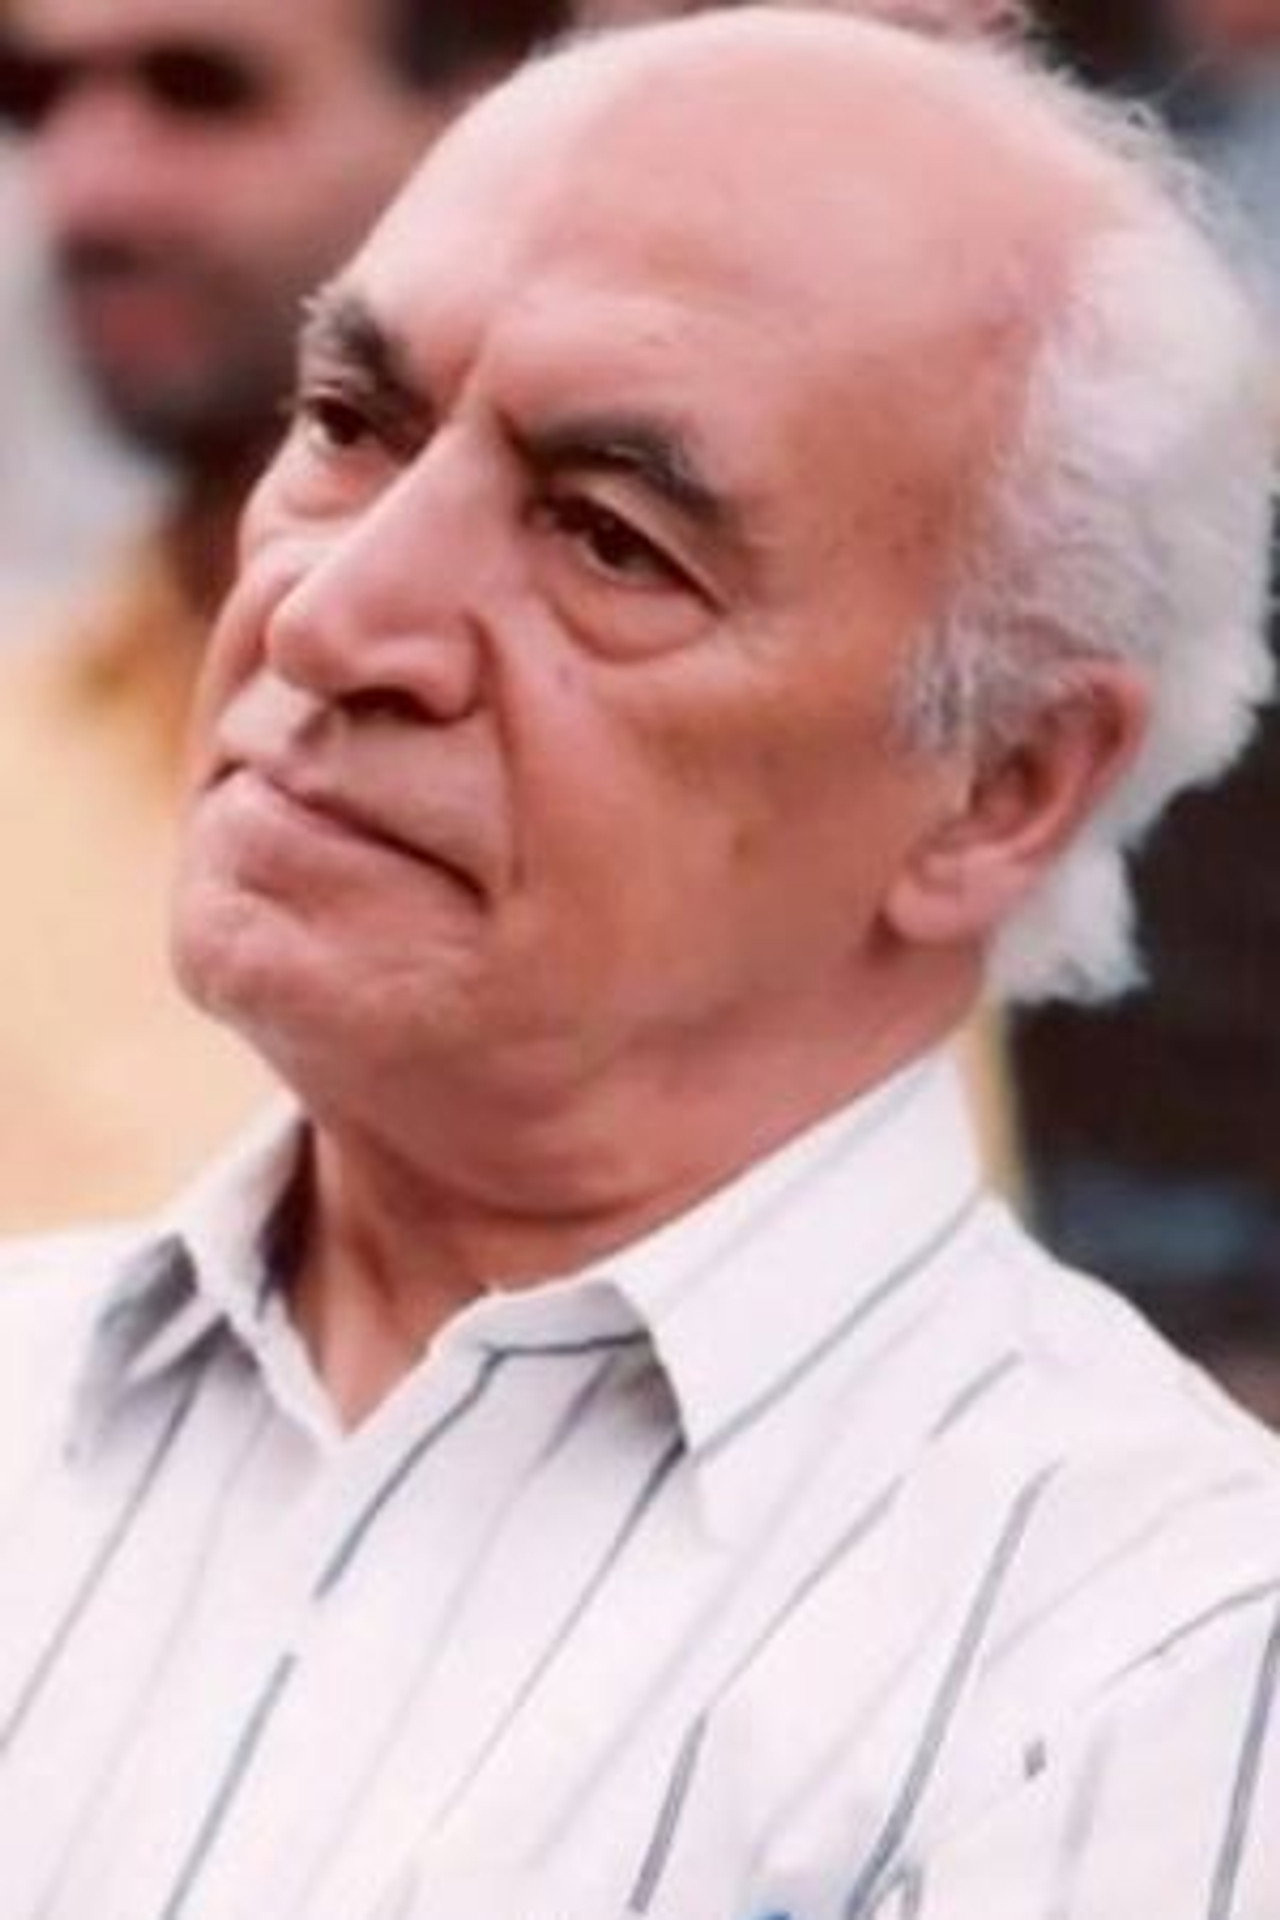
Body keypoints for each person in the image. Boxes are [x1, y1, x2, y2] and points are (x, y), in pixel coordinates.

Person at [2, 9, 1280, 1914]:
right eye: (346, 426)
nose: (336, 615)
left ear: (1001, 785)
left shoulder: (1149, 1670)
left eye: (608, 542)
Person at [0, 0, 689, 1230]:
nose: (90, 190)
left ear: (487, 112)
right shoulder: (28, 744)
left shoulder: (715, 791)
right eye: (39, 100)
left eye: (202, 92)